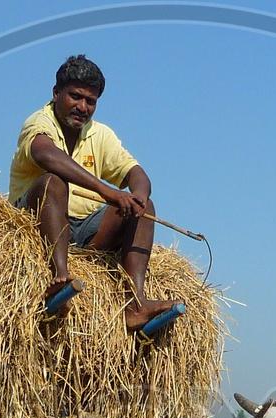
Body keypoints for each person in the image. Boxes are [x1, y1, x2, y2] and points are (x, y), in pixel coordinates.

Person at [9, 55, 176, 329]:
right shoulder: (39, 122)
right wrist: (107, 191)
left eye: (91, 101)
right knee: (53, 182)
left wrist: (138, 197)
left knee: (144, 207)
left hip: (84, 232)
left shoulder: (100, 134)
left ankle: (135, 303)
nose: (82, 107)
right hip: (36, 223)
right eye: (75, 96)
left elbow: (137, 173)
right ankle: (60, 276)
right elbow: (45, 154)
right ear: (56, 93)